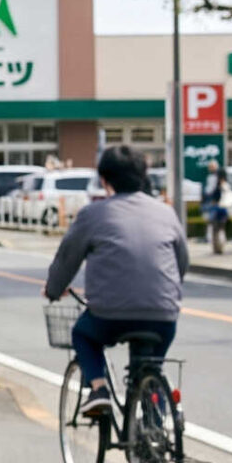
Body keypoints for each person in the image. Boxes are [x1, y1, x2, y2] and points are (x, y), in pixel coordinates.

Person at [42, 144, 187, 427]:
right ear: (143, 175)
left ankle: (99, 390)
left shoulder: (93, 214)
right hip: (162, 314)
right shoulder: (166, 213)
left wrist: (53, 289)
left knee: (83, 334)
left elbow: (67, 260)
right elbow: (182, 262)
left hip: (109, 315)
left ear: (104, 179)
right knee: (151, 365)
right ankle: (154, 432)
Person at [202, 159, 232, 254]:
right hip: (221, 208)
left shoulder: (218, 185)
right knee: (218, 228)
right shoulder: (223, 184)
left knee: (217, 228)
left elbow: (210, 192)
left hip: (218, 207)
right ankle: (218, 247)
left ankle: (218, 247)